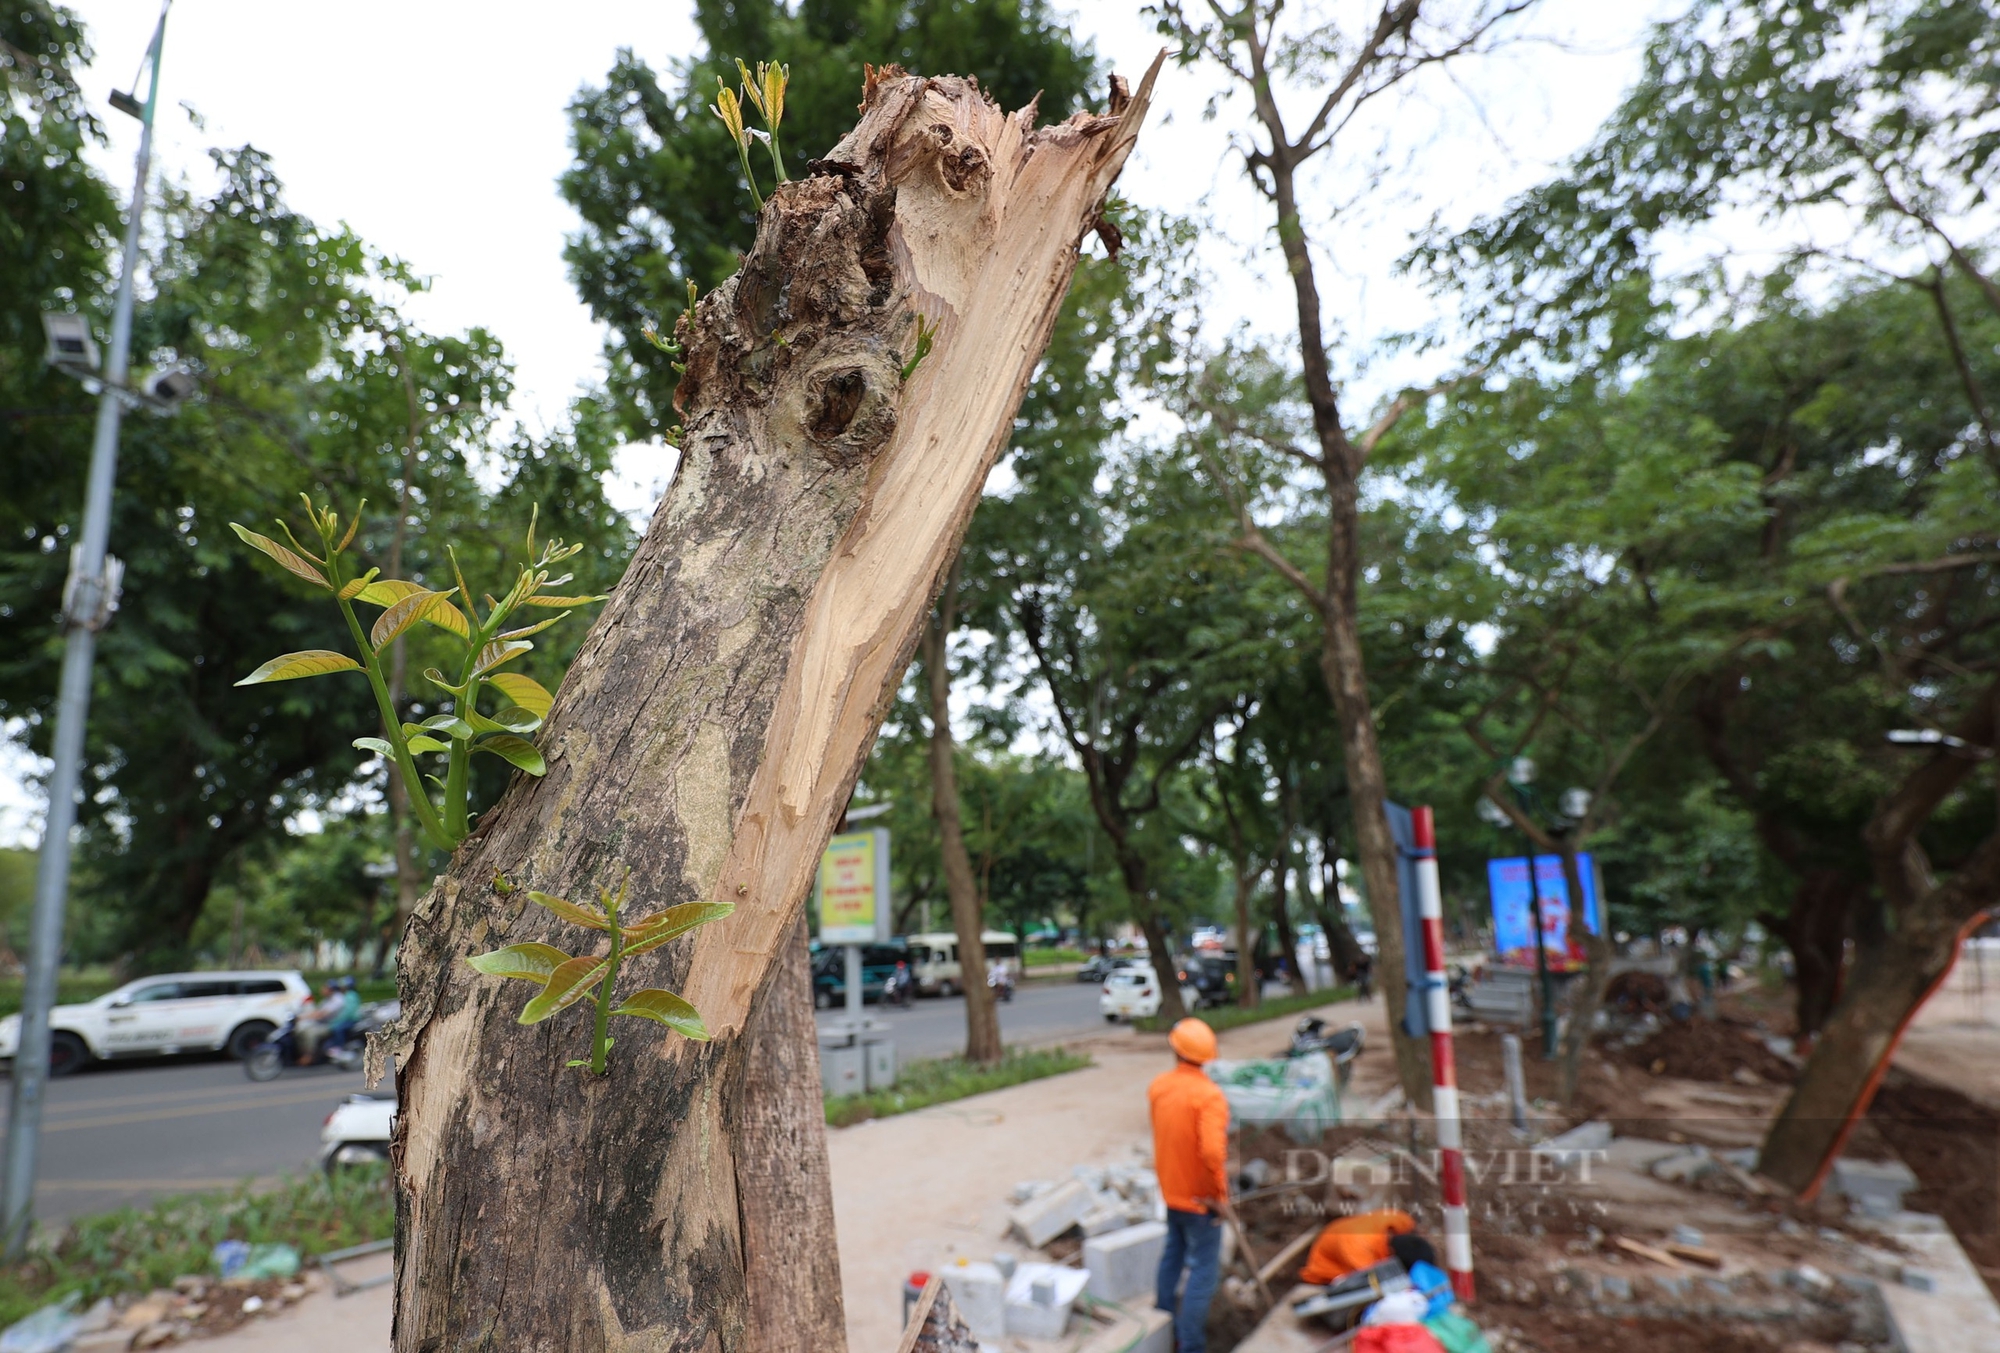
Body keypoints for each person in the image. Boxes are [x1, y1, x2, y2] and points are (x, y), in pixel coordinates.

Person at [1151, 1018, 1230, 1353]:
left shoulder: (1158, 1087)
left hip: (1172, 1192)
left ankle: (1162, 1324)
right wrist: (1220, 1196)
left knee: (1173, 1254)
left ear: (1175, 1050)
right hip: (1201, 1202)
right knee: (1203, 1273)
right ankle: (1191, 1345)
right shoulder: (1210, 1097)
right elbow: (1212, 1151)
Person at [1298, 1208, 1417, 1286]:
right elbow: (1371, 1277)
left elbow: (1409, 1225)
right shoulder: (1357, 1244)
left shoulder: (1393, 1220)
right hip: (1327, 1272)